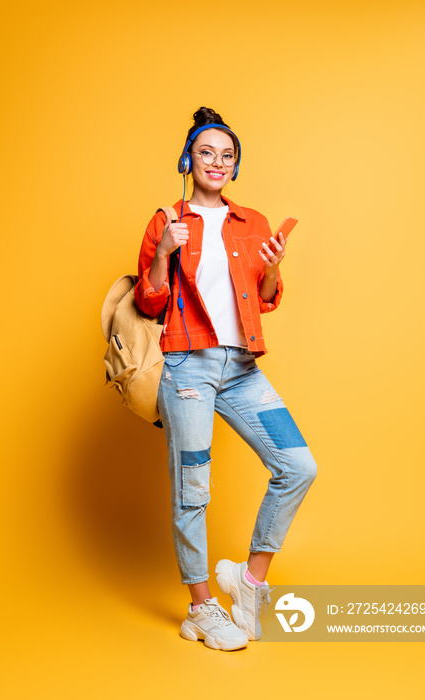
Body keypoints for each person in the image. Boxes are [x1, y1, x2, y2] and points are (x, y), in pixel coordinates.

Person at [134, 107, 317, 651]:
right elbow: (149, 302)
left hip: (242, 368)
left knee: (298, 465)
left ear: (235, 166)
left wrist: (276, 267)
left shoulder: (252, 223)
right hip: (187, 365)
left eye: (227, 155)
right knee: (193, 489)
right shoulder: (166, 220)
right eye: (207, 153)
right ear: (189, 160)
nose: (217, 162)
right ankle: (201, 608)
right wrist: (164, 253)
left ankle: (249, 580)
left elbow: (265, 300)